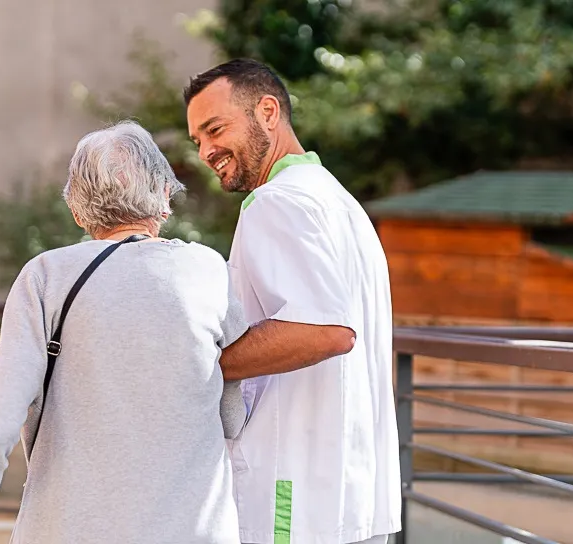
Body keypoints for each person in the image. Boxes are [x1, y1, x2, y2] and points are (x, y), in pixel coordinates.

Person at [0, 120, 250, 544]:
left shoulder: (46, 277)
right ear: (164, 196)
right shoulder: (208, 270)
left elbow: (0, 418)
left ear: (77, 210)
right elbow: (233, 414)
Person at [184, 58, 402, 544]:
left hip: (294, 500)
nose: (207, 150)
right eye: (197, 139)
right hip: (352, 502)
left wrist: (200, 364)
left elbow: (325, 331)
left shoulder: (275, 203)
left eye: (215, 129)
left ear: (267, 111)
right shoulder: (341, 203)